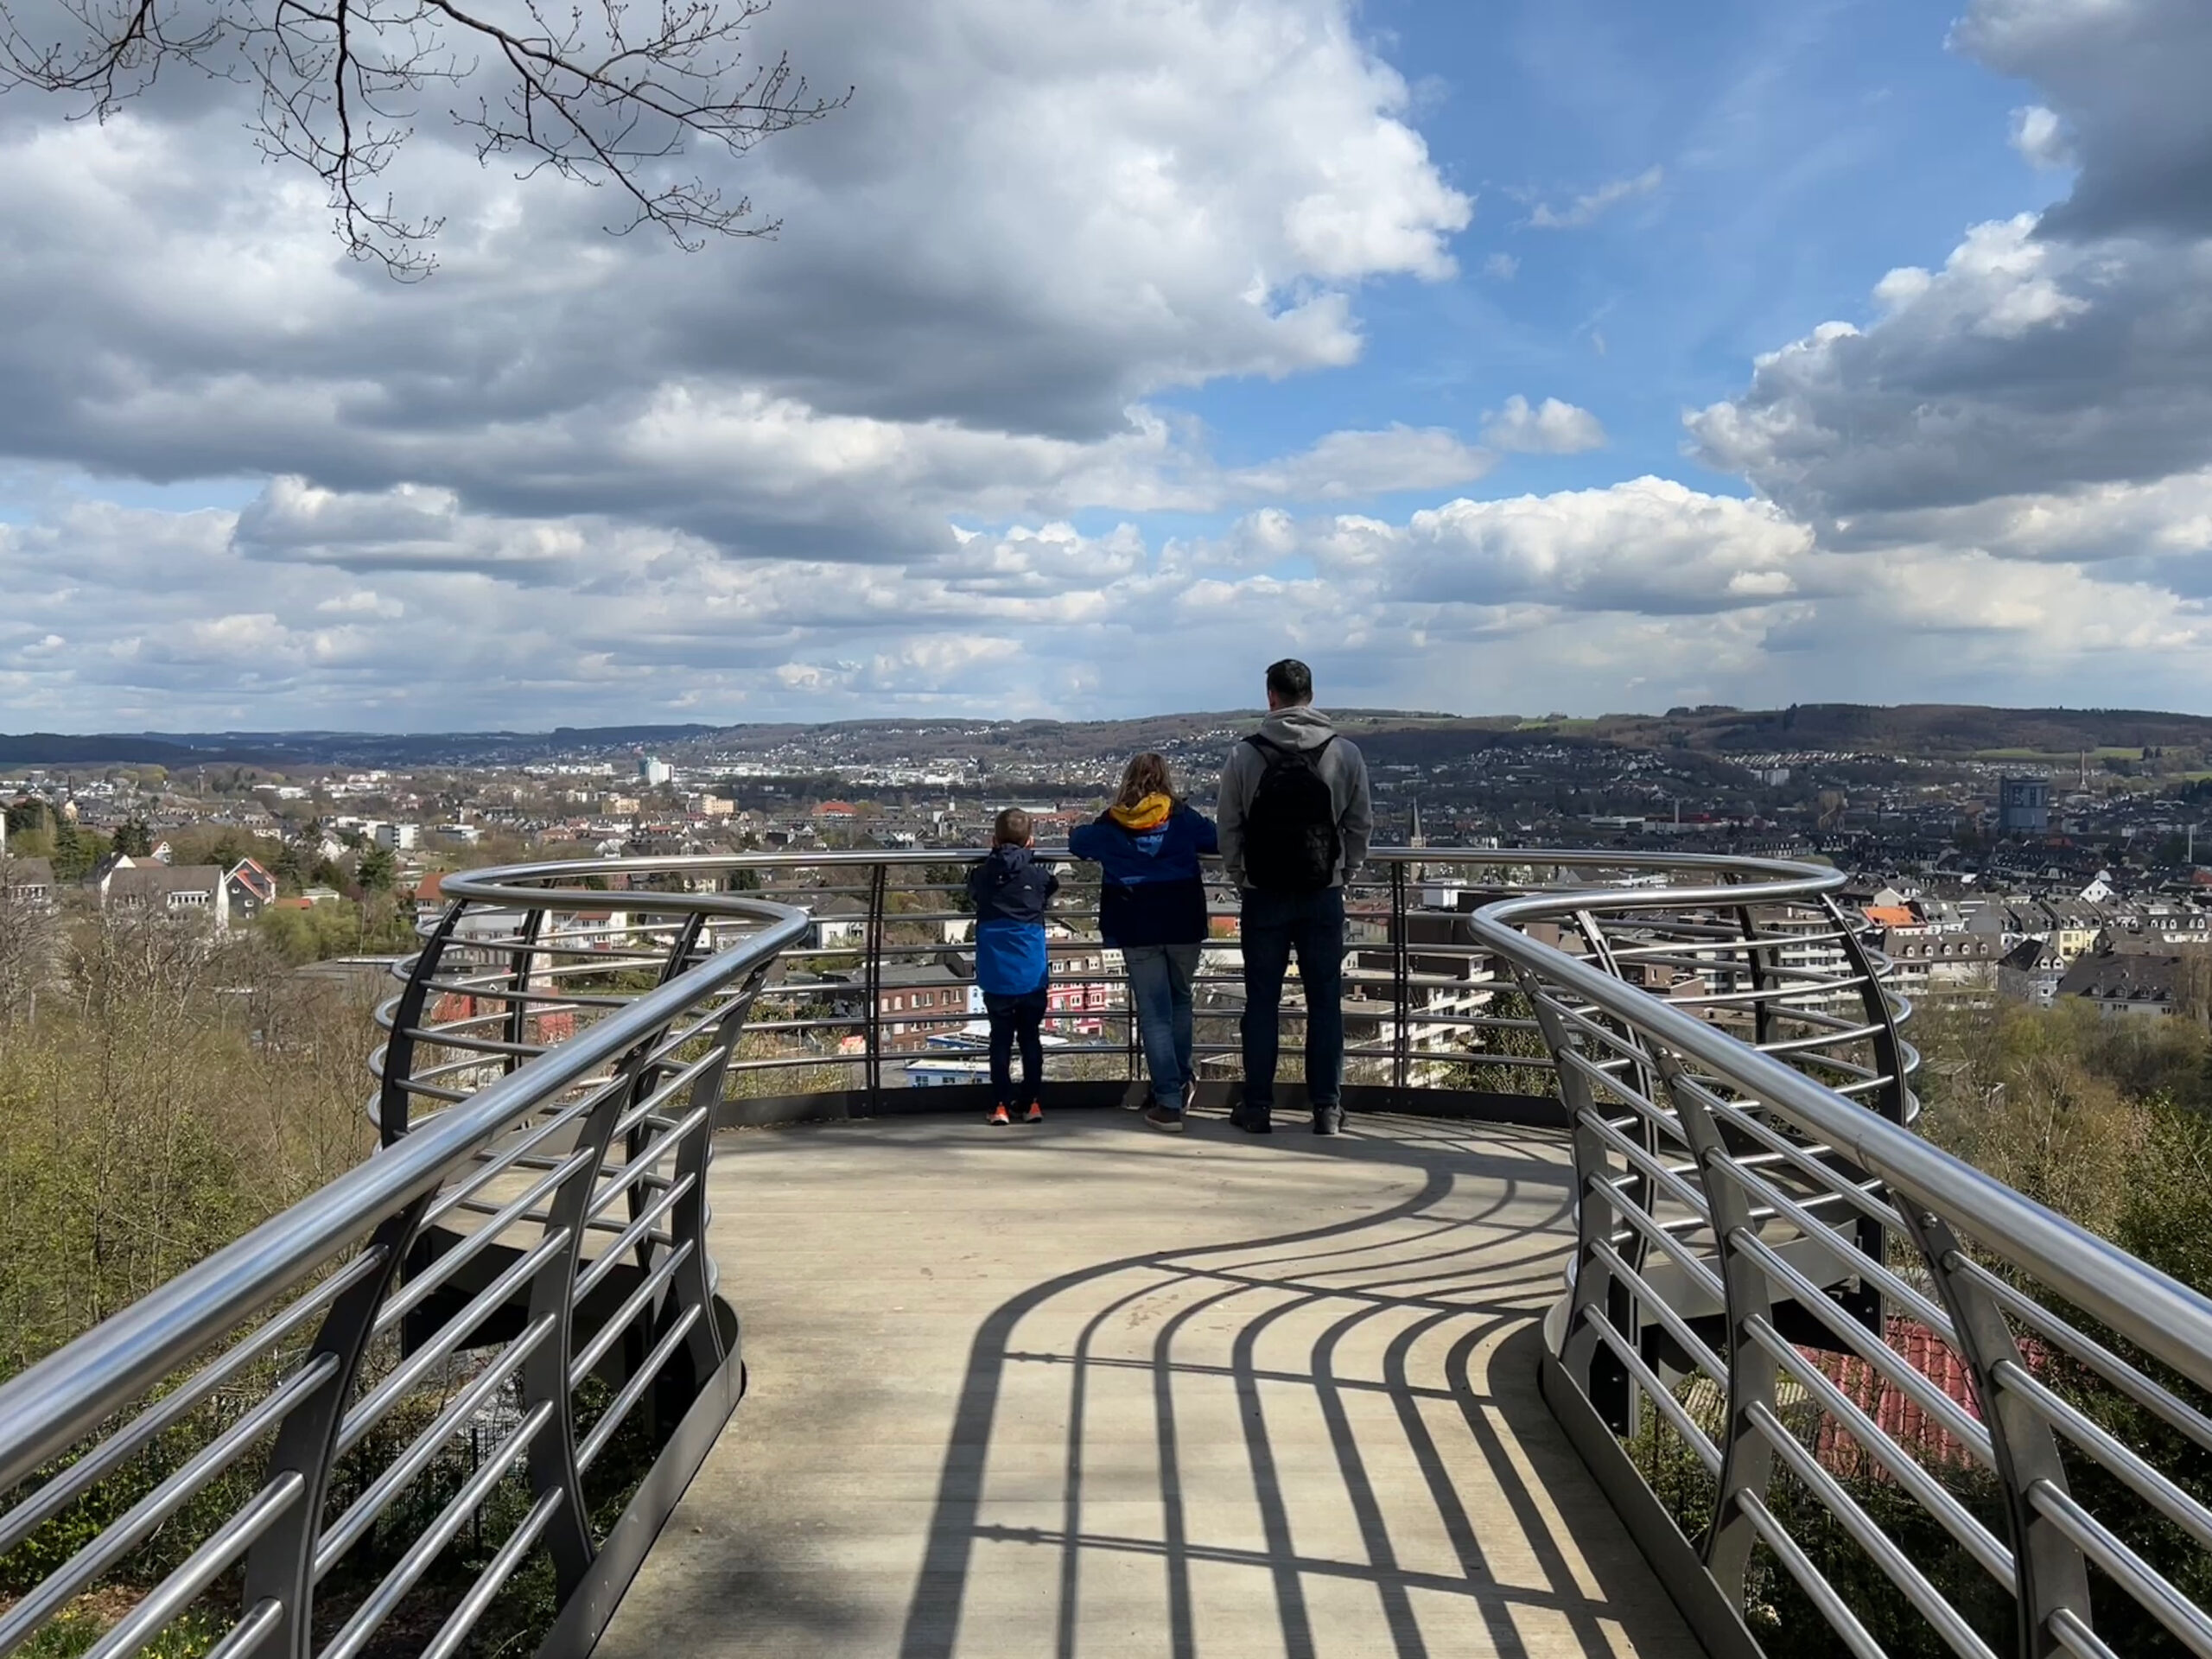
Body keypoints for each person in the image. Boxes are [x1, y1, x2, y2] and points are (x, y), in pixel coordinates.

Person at [1217, 658, 1373, 1135]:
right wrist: (1343, 872)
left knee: (1261, 1003)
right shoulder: (1344, 753)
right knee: (1324, 1002)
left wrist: (1243, 876)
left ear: (1271, 697)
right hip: (1322, 894)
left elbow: (1229, 826)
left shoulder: (1245, 756)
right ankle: (1326, 1108)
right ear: (1310, 696)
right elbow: (1359, 825)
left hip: (1263, 895)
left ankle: (1258, 1106)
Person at [1070, 753, 1219, 1135]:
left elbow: (1077, 842)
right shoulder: (1183, 818)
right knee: (1181, 999)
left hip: (1136, 923)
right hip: (1183, 920)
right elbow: (1216, 839)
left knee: (1154, 1013)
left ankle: (1168, 1099)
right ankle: (1181, 1081)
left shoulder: (1113, 822)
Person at [969, 807, 1059, 1125]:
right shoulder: (1037, 876)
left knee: (1000, 1040)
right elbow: (1051, 887)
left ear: (993, 840)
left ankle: (1000, 1106)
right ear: (1030, 841)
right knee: (1030, 1038)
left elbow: (973, 890)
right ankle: (1031, 1102)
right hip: (1031, 973)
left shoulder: (981, 876)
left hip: (996, 974)